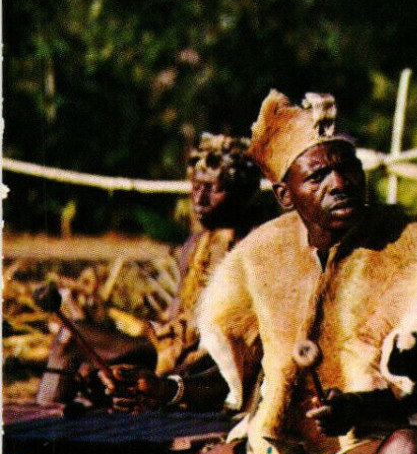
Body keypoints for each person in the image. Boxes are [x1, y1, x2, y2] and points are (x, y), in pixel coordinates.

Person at [151, 91, 417, 454]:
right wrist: (169, 388)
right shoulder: (261, 253)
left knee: (408, 450)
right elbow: (239, 380)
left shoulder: (411, 247)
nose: (339, 184)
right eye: (318, 176)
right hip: (272, 452)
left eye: (348, 169)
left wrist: (356, 407)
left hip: (359, 450)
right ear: (286, 195)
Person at [37, 132, 271, 409]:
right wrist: (123, 358)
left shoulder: (258, 246)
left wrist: (170, 379)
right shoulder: (196, 243)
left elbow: (249, 341)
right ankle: (41, 434)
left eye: (213, 189)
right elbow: (173, 318)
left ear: (242, 193)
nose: (200, 199)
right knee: (70, 336)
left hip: (213, 364)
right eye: (196, 187)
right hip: (169, 350)